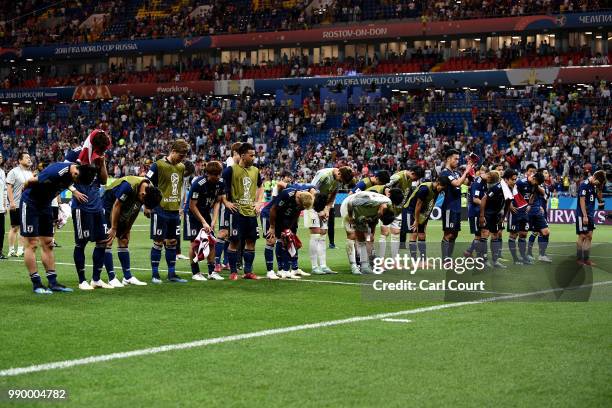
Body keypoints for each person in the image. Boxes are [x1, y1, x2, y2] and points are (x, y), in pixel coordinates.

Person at [21, 162, 97, 294]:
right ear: (75, 173)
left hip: (45, 205)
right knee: (32, 243)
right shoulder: (55, 172)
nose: (76, 182)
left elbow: (68, 183)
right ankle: (36, 283)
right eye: (77, 180)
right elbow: (31, 181)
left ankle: (53, 282)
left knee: (48, 243)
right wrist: (25, 191)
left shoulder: (74, 172)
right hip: (31, 203)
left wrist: (74, 191)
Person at [64, 131, 118, 290]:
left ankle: (96, 279)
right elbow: (61, 173)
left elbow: (103, 180)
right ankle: (82, 281)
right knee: (81, 243)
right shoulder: (75, 154)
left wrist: (102, 164)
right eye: (101, 149)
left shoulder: (100, 154)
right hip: (81, 207)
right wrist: (73, 191)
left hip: (97, 205)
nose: (103, 151)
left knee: (102, 242)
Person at [103, 176, 162, 285]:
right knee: (108, 240)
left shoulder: (150, 190)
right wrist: (114, 228)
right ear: (143, 194)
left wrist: (128, 228)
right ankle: (111, 277)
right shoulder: (128, 186)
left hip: (126, 206)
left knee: (124, 239)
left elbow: (135, 209)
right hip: (109, 205)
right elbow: (116, 205)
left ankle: (127, 277)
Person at [146, 139, 190, 283]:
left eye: (184, 156)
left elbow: (181, 187)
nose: (182, 158)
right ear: (173, 151)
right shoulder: (157, 165)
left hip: (174, 211)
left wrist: (181, 205)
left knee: (172, 242)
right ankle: (155, 274)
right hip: (160, 209)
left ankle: (172, 274)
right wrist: (147, 205)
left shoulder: (182, 167)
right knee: (158, 242)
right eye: (181, 155)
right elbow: (146, 183)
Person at [222, 142, 264, 280]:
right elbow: (221, 188)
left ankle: (248, 271)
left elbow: (260, 186)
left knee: (251, 242)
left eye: (254, 155)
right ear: (243, 155)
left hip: (251, 213)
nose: (254, 158)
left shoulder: (255, 171)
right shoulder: (230, 170)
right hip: (236, 212)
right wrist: (226, 202)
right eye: (251, 155)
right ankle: (233, 272)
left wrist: (258, 203)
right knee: (234, 242)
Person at [184, 161, 231, 281]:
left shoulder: (220, 183)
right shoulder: (198, 184)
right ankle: (195, 272)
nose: (217, 177)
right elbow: (192, 206)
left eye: (219, 175)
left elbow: (217, 201)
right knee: (195, 243)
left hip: (206, 214)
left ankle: (212, 272)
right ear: (208, 174)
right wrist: (204, 222)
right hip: (192, 214)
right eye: (215, 175)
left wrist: (213, 221)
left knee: (211, 242)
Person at [306, 166, 354, 274]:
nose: (340, 182)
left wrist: (327, 209)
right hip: (311, 204)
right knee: (315, 234)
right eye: (340, 180)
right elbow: (310, 190)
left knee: (323, 234)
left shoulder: (338, 180)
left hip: (323, 206)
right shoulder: (323, 175)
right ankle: (314, 267)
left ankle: (323, 265)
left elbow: (333, 195)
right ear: (339, 173)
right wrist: (319, 210)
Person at [340, 190, 397, 275]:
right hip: (349, 207)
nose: (380, 218)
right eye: (381, 217)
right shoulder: (371, 202)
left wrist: (370, 236)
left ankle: (364, 266)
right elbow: (351, 203)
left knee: (364, 238)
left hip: (363, 213)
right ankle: (354, 266)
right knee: (352, 235)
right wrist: (351, 217)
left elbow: (374, 223)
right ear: (383, 211)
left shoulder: (387, 206)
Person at [266, 187, 315, 279]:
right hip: (270, 215)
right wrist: (272, 227)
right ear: (298, 198)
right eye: (301, 206)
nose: (301, 208)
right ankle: (271, 271)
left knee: (285, 240)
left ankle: (283, 271)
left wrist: (288, 229)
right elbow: (273, 210)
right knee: (271, 241)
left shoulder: (301, 201)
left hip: (283, 218)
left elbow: (296, 213)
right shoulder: (286, 194)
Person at [479, 169, 517, 268]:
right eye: (513, 180)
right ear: (507, 179)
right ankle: (483, 260)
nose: (514, 182)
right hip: (487, 214)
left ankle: (495, 261)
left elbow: (508, 202)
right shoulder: (498, 187)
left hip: (496, 215)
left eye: (515, 180)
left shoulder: (510, 188)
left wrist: (503, 217)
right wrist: (482, 216)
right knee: (485, 234)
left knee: (495, 235)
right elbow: (484, 199)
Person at [440, 149, 473, 260]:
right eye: (456, 159)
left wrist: (470, 173)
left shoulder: (456, 173)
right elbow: (457, 183)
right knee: (448, 234)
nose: (458, 161)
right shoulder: (445, 172)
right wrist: (466, 171)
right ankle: (445, 259)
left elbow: (465, 183)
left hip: (457, 207)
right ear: (449, 159)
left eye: (459, 159)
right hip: (449, 208)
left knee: (454, 234)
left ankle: (449, 257)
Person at [215, 142, 242, 272]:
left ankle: (226, 262)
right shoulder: (228, 167)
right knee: (223, 232)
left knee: (232, 235)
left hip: (238, 206)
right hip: (227, 205)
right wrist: (225, 202)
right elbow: (221, 187)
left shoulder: (242, 168)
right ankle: (216, 262)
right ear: (236, 153)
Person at [406, 177, 446, 263]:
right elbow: (418, 205)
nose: (440, 190)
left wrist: (425, 220)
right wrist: (416, 221)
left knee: (422, 235)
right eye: (441, 188)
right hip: (412, 211)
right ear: (438, 183)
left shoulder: (436, 191)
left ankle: (423, 260)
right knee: (414, 233)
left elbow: (430, 205)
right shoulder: (424, 189)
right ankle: (414, 261)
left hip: (422, 213)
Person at [386, 166, 424, 252]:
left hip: (399, 209)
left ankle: (394, 257)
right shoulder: (397, 177)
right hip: (389, 209)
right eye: (416, 178)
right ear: (413, 173)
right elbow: (385, 187)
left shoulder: (409, 179)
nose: (416, 180)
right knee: (384, 232)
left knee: (397, 232)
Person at [506, 164, 537, 265]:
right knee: (513, 235)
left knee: (523, 234)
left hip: (524, 212)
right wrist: (509, 205)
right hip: (515, 211)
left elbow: (532, 195)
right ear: (526, 172)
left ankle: (523, 257)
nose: (532, 173)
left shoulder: (533, 184)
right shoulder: (520, 182)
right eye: (530, 171)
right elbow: (509, 190)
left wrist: (529, 204)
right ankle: (515, 259)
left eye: (534, 172)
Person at [576, 170, 606, 266]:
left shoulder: (595, 186)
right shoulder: (584, 185)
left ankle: (586, 259)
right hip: (582, 214)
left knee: (589, 236)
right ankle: (579, 259)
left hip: (591, 215)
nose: (598, 184)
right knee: (582, 236)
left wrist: (600, 188)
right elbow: (582, 201)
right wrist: (584, 216)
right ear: (594, 178)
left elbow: (600, 199)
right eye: (598, 182)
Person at [6, 153, 33, 258]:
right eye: (27, 158)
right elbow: (9, 187)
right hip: (16, 203)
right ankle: (11, 250)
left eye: (29, 158)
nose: (29, 159)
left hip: (28, 204)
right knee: (14, 227)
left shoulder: (30, 173)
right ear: (20, 160)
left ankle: (20, 250)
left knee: (23, 227)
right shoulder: (13, 172)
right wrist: (11, 202)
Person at [527, 170, 552, 263]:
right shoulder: (534, 185)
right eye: (544, 173)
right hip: (535, 211)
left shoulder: (546, 187)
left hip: (541, 212)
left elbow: (546, 198)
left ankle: (540, 254)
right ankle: (530, 253)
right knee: (535, 232)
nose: (547, 174)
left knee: (541, 232)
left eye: (547, 173)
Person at [464, 166, 488, 259]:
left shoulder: (484, 182)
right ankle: (479, 257)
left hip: (480, 211)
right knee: (479, 235)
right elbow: (475, 199)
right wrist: (486, 205)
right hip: (475, 212)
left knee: (482, 234)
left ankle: (470, 251)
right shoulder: (478, 183)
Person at [0, 156, 6, 259]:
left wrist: (5, 204)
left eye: (1, 156)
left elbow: (4, 189)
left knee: (1, 231)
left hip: (0, 207)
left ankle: (0, 252)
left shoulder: (2, 172)